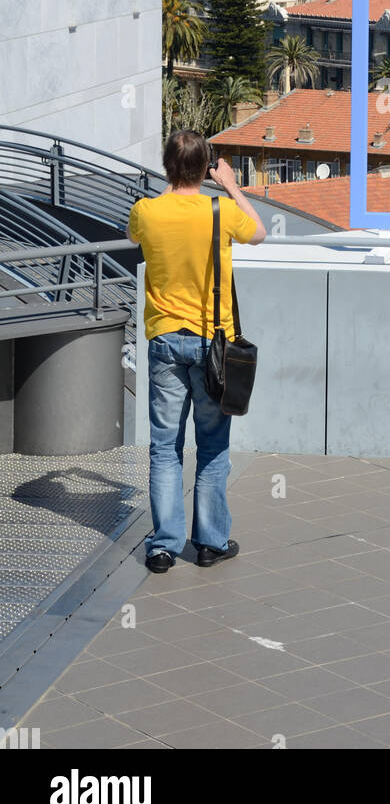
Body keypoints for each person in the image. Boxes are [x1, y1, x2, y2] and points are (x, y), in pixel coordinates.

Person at [127, 131, 266, 573]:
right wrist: (227, 183)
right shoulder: (220, 210)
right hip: (212, 344)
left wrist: (175, 180)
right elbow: (260, 233)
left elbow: (136, 234)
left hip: (165, 340)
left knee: (165, 447)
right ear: (206, 166)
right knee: (212, 446)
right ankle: (209, 542)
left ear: (168, 167)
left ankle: (164, 545)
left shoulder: (146, 212)